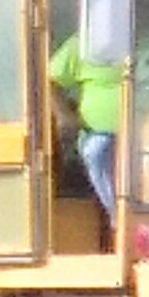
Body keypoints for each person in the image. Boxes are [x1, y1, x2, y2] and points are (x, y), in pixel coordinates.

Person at [47, 27, 123, 218]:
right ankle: (120, 218)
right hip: (97, 132)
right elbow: (50, 82)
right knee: (95, 152)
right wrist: (64, 114)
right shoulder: (83, 44)